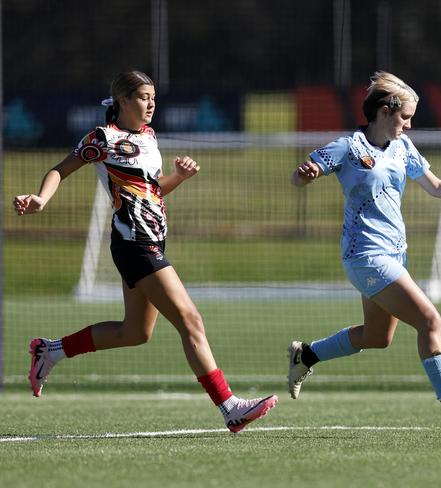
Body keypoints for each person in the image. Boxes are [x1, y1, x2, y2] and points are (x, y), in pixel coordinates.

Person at [14, 70, 277, 433]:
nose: (151, 103)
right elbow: (60, 169)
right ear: (123, 101)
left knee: (134, 332)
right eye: (142, 97)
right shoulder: (103, 138)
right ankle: (230, 406)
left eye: (153, 97)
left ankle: (51, 350)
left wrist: (179, 178)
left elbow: (150, 192)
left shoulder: (149, 137)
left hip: (150, 240)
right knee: (191, 320)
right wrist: (41, 198)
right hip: (134, 242)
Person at [287, 71, 441, 428]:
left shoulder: (402, 148)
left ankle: (307, 354)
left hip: (394, 254)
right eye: (405, 117)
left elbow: (437, 185)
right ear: (384, 111)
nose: (409, 125)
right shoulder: (348, 147)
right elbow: (301, 175)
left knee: (377, 337)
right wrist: (305, 175)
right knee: (430, 320)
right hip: (365, 255)